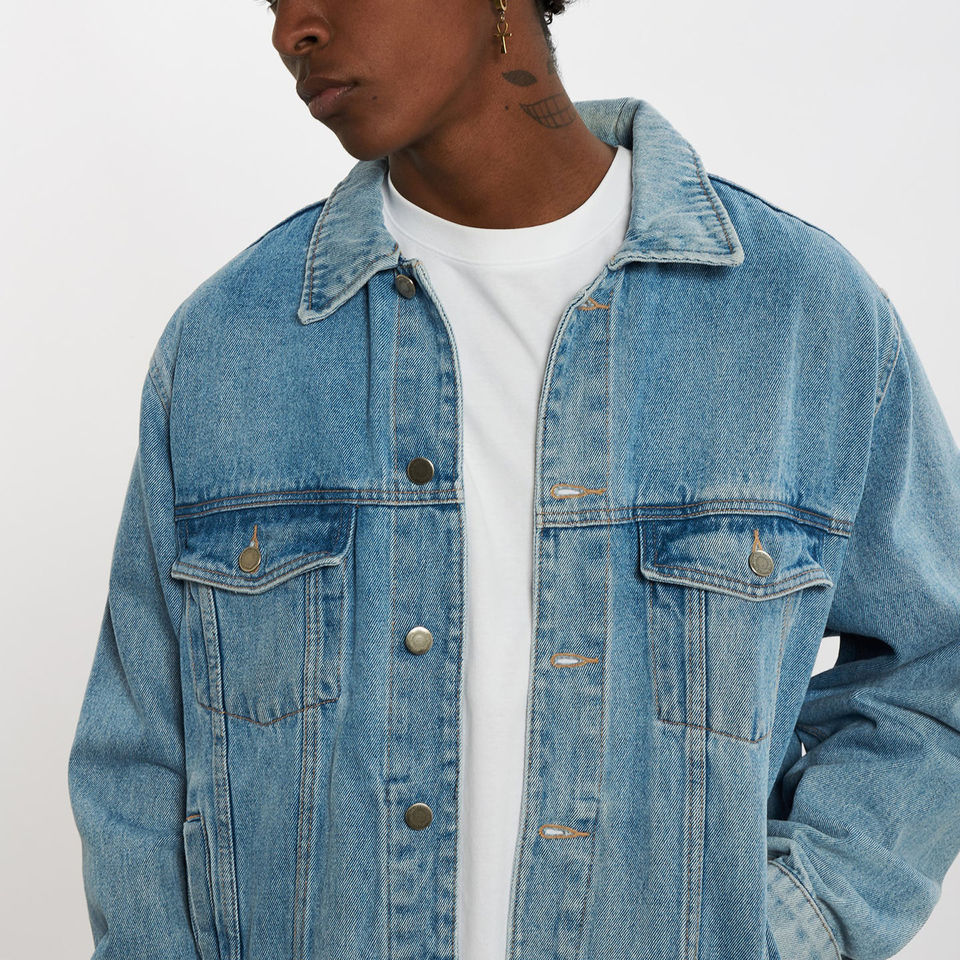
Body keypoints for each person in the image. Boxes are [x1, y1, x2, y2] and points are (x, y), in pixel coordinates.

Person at [68, 2, 960, 959]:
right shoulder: (229, 344)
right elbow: (140, 762)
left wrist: (785, 926)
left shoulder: (801, 317)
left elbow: (932, 673)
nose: (293, 30)